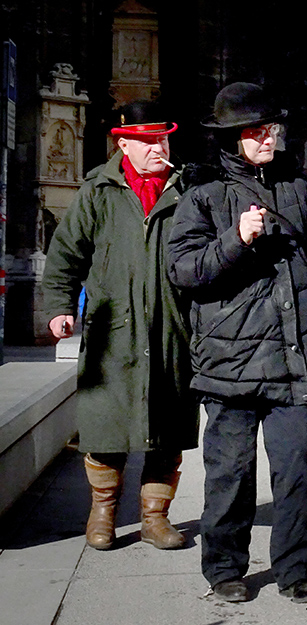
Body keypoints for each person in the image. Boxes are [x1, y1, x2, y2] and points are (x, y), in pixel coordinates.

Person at [167, 82, 307, 605]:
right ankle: (225, 571)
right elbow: (183, 270)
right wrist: (235, 240)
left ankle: (299, 573)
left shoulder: (299, 187)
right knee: (230, 477)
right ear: (233, 138)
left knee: (300, 475)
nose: (270, 138)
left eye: (273, 129)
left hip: (294, 359)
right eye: (258, 131)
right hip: (229, 364)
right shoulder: (202, 193)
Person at [41, 100, 199, 552]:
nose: (158, 148)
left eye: (163, 139)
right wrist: (58, 305)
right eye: (148, 140)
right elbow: (66, 254)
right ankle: (103, 513)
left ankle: (155, 518)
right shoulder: (99, 190)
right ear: (123, 143)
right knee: (106, 428)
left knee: (166, 431)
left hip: (172, 329)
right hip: (113, 331)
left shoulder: (184, 190)